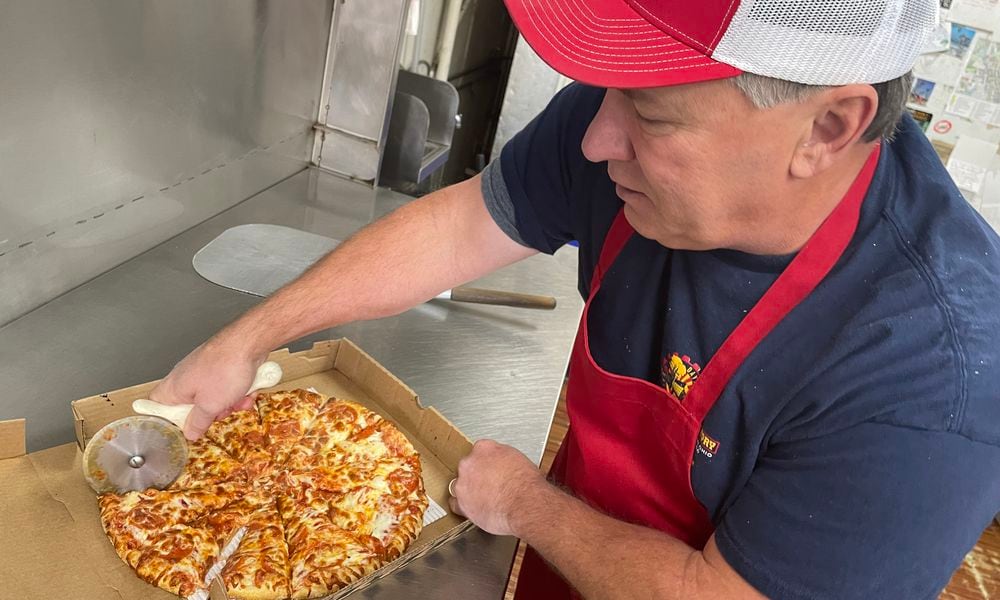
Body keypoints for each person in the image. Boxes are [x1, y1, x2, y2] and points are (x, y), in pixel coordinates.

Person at [150, 0, 1000, 597]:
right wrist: (251, 337)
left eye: (653, 115)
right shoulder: (614, 131)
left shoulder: (935, 379)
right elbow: (461, 225)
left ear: (826, 128)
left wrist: (526, 504)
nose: (597, 137)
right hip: (569, 551)